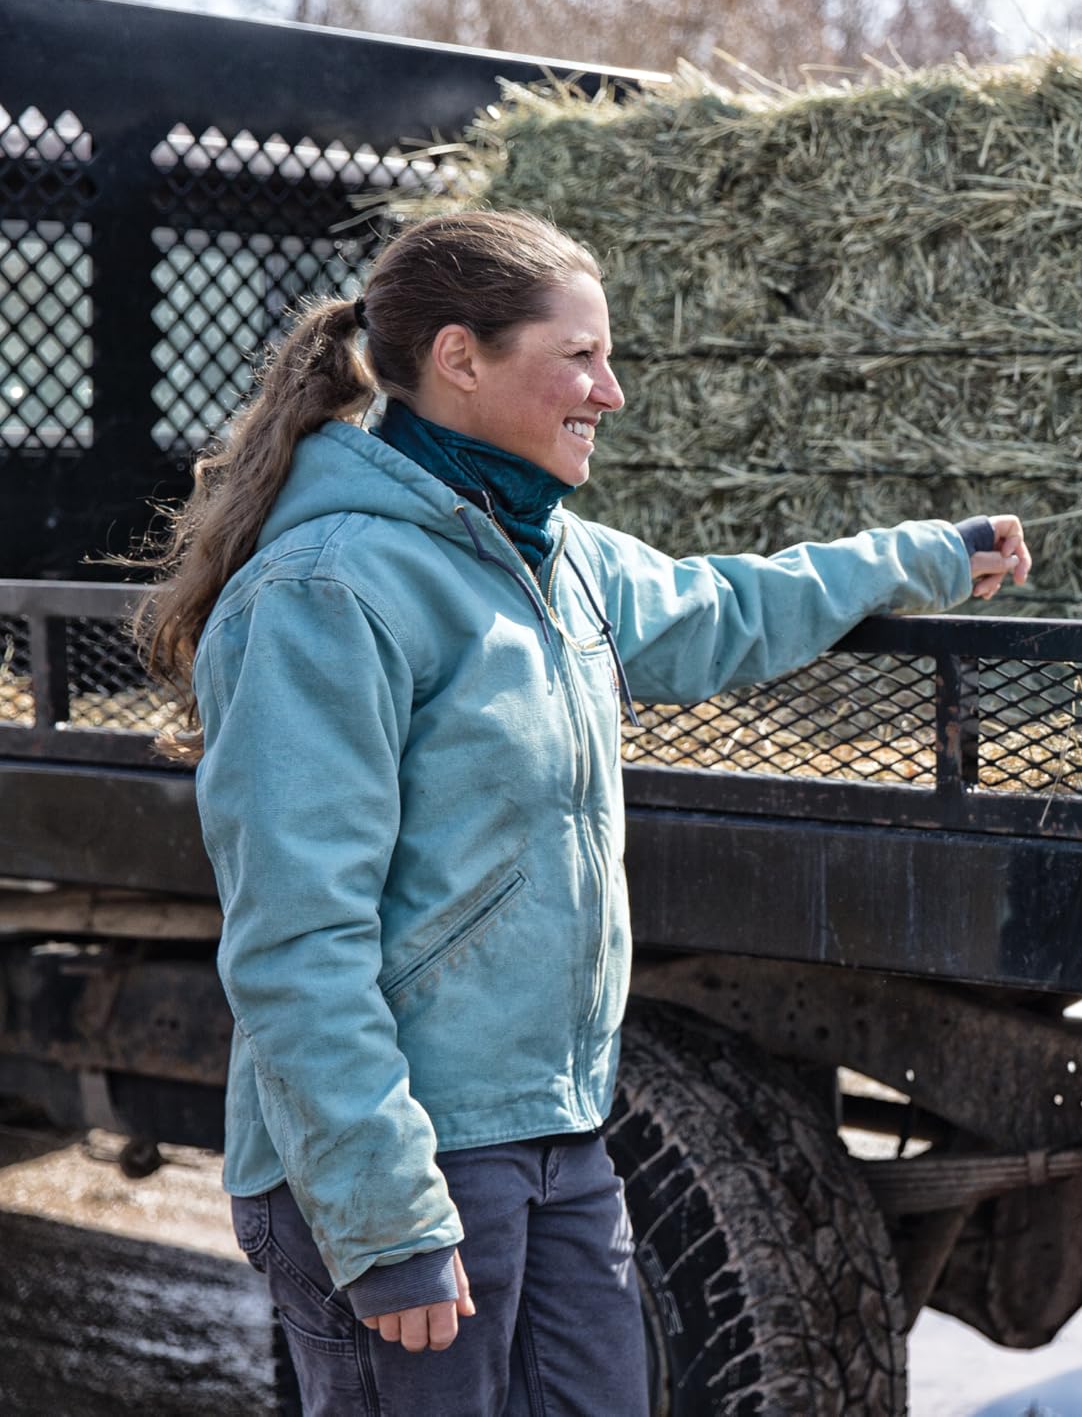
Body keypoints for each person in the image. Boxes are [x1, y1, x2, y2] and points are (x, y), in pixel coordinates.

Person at [131, 208, 1032, 1415]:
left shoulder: (555, 557)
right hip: (410, 1155)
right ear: (461, 358)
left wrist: (929, 554)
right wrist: (387, 1213)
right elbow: (297, 942)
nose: (608, 391)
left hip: (555, 1130)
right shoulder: (324, 593)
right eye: (580, 356)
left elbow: (726, 608)